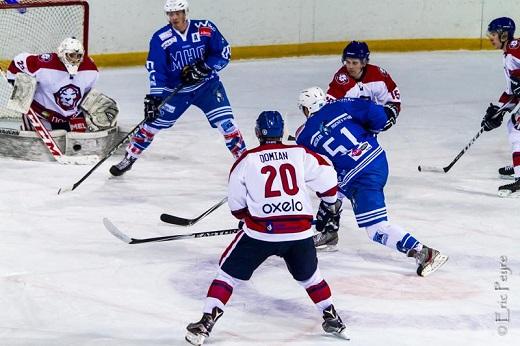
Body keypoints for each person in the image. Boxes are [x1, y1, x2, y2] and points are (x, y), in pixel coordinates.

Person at [185, 111, 347, 346]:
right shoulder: (299, 153)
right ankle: (332, 316)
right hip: (300, 233)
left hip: (261, 233)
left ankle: (206, 322)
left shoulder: (247, 160)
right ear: (281, 132)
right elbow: (328, 180)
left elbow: (236, 205)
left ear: (258, 132)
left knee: (227, 276)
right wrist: (330, 206)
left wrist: (245, 218)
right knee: (311, 278)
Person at [295, 86, 448, 276]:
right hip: (377, 160)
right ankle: (329, 233)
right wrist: (375, 126)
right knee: (337, 191)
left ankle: (424, 253)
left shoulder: (303, 136)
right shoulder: (342, 104)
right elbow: (375, 114)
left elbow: (315, 169)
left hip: (360, 177)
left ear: (306, 108)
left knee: (375, 229)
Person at [110, 0, 246, 176]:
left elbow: (223, 52)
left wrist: (204, 67)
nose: (174, 17)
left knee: (227, 124)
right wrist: (154, 97)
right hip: (176, 92)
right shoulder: (160, 38)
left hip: (207, 87)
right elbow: (156, 69)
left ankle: (244, 160)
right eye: (170, 14)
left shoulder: (205, 28)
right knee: (151, 126)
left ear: (185, 12)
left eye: (178, 13)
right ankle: (129, 157)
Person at [6, 37, 98, 132]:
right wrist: (17, 84)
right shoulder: (45, 63)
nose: (75, 60)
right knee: (35, 144)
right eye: (71, 55)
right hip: (41, 113)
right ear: (62, 53)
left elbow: (87, 93)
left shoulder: (90, 68)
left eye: (78, 56)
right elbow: (18, 61)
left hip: (70, 117)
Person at [479, 17, 520, 197]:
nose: (490, 38)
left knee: (517, 129)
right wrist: (498, 109)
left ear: (504, 35)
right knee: (514, 125)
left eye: (493, 34)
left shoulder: (514, 50)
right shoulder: (508, 54)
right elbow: (513, 90)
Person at [326, 41, 401, 131]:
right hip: (348, 126)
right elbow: (330, 107)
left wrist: (389, 114)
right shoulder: (341, 79)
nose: (350, 67)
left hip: (370, 123)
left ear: (364, 63)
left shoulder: (378, 75)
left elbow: (393, 100)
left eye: (354, 63)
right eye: (347, 62)